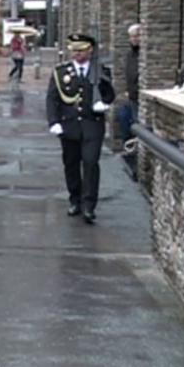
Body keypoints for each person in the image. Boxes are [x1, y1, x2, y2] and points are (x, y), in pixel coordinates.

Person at [46, 33, 115, 224]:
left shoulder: (100, 70)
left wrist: (105, 103)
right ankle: (74, 199)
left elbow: (110, 94)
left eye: (81, 50)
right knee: (71, 164)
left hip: (92, 124)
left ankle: (89, 205)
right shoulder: (61, 72)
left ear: (90, 50)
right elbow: (52, 98)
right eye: (74, 50)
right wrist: (54, 121)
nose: (77, 54)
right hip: (69, 125)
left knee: (91, 163)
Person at [117, 24, 141, 178]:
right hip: (131, 96)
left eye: (137, 36)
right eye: (132, 36)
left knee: (136, 123)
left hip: (139, 98)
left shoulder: (143, 55)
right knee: (124, 116)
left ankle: (136, 155)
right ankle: (129, 149)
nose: (134, 39)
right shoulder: (130, 55)